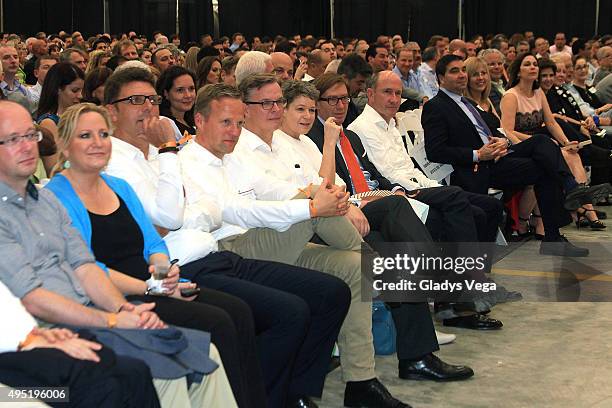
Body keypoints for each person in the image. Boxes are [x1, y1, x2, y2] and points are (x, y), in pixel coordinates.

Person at [102, 67, 350, 408]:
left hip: (216, 255)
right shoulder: (150, 158)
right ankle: (265, 398)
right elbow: (172, 218)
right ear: (112, 111)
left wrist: (318, 202)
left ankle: (299, 392)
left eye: (151, 99)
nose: (147, 107)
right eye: (134, 100)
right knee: (277, 310)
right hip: (180, 267)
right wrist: (312, 206)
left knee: (338, 285)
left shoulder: (157, 157)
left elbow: (213, 209)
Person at [180, 80, 412, 408]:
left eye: (237, 123)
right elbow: (241, 212)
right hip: (233, 248)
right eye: (226, 122)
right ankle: (386, 271)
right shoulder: (200, 158)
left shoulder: (242, 152)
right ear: (200, 121)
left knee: (353, 266)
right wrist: (312, 203)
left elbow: (285, 189)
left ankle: (361, 382)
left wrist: (316, 198)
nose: (233, 130)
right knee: (314, 209)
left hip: (269, 238)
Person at [0, 100, 234, 408]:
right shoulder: (55, 195)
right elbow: (34, 297)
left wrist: (129, 307)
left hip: (102, 303)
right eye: (13, 139)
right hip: (48, 323)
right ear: (66, 147)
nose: (28, 146)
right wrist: (118, 314)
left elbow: (90, 265)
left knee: (210, 348)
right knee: (172, 363)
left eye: (30, 136)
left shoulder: (50, 202)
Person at [423, 54, 605, 256]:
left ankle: (566, 201)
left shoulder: (467, 103)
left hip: (499, 155)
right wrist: (477, 154)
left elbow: (496, 128)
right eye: (454, 71)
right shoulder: (436, 106)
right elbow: (435, 151)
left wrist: (505, 141)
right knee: (545, 162)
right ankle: (562, 213)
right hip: (478, 167)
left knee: (542, 142)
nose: (461, 75)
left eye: (462, 70)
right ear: (440, 77)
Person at [0, 280, 161, 408]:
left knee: (134, 371)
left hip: (23, 346)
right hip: (7, 392)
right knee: (99, 387)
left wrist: (38, 334)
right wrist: (30, 342)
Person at [500, 53, 606, 230]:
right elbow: (507, 131)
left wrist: (565, 142)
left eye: (534, 64)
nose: (533, 67)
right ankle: (580, 201)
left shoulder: (538, 92)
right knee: (553, 155)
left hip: (542, 144)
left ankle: (580, 195)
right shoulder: (511, 96)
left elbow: (550, 122)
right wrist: (541, 142)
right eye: (527, 64)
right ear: (518, 72)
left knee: (571, 153)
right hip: (518, 144)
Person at [157, 65, 196, 135]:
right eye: (180, 90)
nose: (188, 95)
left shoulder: (193, 119)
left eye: (191, 89)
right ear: (166, 93)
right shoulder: (164, 125)